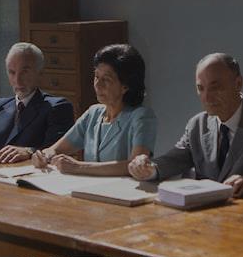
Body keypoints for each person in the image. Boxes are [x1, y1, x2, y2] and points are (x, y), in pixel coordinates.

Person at [128, 52, 243, 197]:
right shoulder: (197, 125)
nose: (207, 98)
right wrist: (148, 168)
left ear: (238, 84)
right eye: (201, 88)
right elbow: (174, 160)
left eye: (216, 88)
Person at [32, 44, 156, 176]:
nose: (98, 85)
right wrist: (44, 156)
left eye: (106, 79)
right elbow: (55, 149)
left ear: (125, 86)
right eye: (96, 77)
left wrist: (78, 167)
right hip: (87, 186)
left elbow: (135, 166)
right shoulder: (94, 113)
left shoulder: (141, 117)